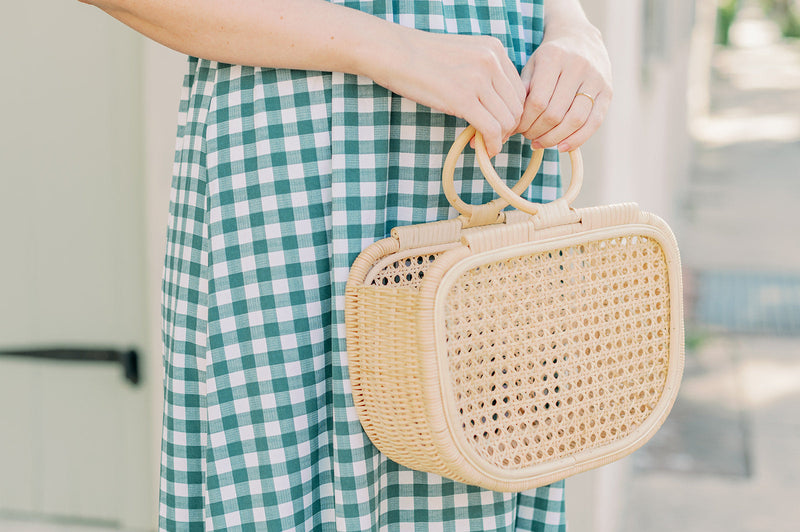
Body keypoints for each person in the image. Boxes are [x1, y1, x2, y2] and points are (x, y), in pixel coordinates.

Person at [81, 0, 612, 530]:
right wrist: (391, 47)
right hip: (305, 181)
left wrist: (573, 29)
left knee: (482, 469)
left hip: (496, 162)